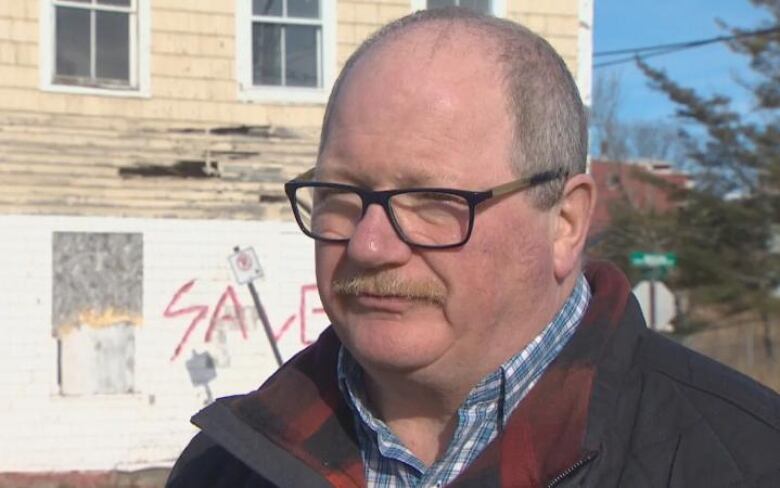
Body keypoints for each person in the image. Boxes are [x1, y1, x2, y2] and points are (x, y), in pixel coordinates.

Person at [167, 8, 780, 488]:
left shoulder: (744, 458)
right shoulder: (224, 464)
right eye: (341, 194)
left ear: (565, 222)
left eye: (433, 200)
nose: (370, 244)